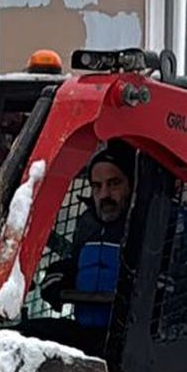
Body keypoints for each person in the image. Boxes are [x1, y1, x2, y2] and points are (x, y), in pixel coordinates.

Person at [40, 142, 136, 343]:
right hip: (83, 330)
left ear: (131, 185)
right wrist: (58, 277)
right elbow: (75, 265)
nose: (104, 195)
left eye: (114, 184)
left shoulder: (149, 225)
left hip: (130, 340)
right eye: (97, 186)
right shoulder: (86, 224)